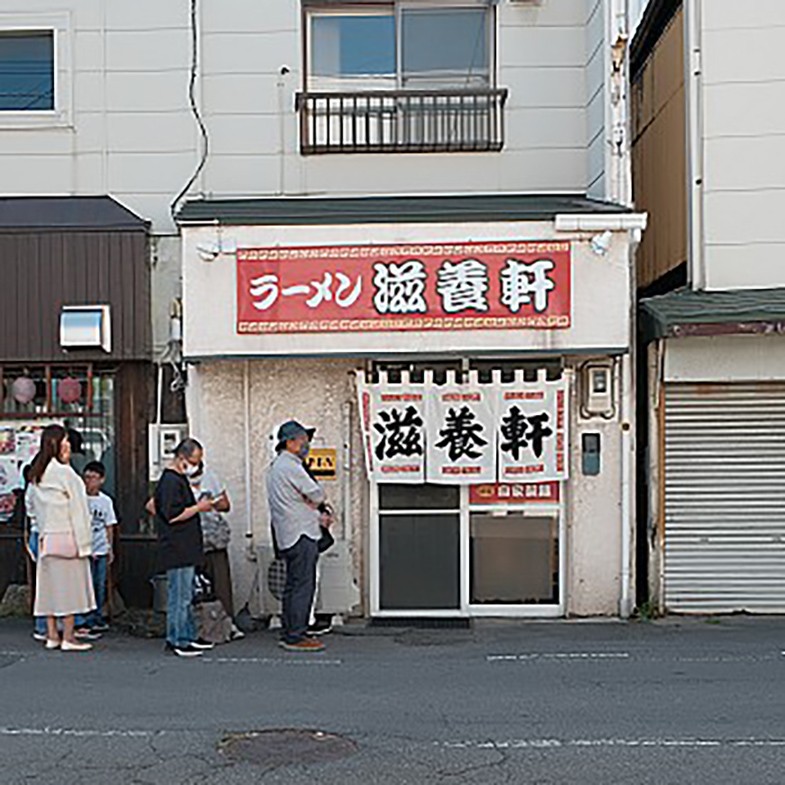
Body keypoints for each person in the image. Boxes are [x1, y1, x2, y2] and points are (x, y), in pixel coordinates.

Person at [27, 424, 96, 652]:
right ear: (57, 444)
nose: (68, 445)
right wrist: (85, 544)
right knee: (70, 590)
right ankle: (69, 637)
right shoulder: (66, 473)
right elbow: (79, 511)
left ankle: (51, 636)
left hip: (47, 538)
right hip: (69, 538)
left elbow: (33, 510)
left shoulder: (38, 473)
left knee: (48, 590)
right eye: (65, 441)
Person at [267, 420, 330, 653]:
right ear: (289, 442)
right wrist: (315, 502)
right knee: (303, 584)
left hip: (287, 533)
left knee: (293, 585)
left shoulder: (275, 467)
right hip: (302, 532)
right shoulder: (291, 467)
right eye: (303, 440)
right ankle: (296, 635)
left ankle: (290, 630)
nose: (307, 444)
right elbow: (317, 493)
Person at [153, 438, 216, 658]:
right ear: (181, 458)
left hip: (184, 547)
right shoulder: (171, 480)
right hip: (177, 547)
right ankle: (177, 639)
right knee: (180, 596)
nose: (196, 465)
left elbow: (155, 505)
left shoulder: (175, 479)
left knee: (185, 595)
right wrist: (199, 507)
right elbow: (172, 515)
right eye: (193, 460)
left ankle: (188, 635)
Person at [188, 461, 245, 641]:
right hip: (189, 538)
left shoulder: (211, 477)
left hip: (213, 537)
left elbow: (226, 505)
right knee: (192, 586)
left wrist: (211, 503)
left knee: (221, 582)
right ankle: (194, 626)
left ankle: (227, 624)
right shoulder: (177, 481)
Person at [79, 461, 117, 632]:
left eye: (94, 478)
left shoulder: (105, 501)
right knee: (84, 585)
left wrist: (110, 548)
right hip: (83, 549)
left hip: (100, 547)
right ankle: (85, 617)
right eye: (87, 477)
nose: (90, 482)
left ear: (102, 480)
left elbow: (109, 525)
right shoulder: (79, 499)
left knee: (99, 584)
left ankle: (97, 615)